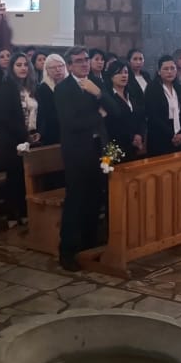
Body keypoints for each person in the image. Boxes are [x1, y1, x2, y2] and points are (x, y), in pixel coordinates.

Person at [54, 47, 106, 272]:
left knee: (94, 198)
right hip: (76, 151)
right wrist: (97, 116)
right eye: (79, 61)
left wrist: (99, 95)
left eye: (86, 60)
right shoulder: (63, 89)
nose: (84, 64)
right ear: (70, 65)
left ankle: (90, 244)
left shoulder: (95, 84)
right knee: (76, 199)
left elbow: (112, 109)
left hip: (97, 149)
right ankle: (68, 250)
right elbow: (70, 122)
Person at [0, 53, 41, 225]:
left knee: (26, 177)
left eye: (25, 65)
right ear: (12, 68)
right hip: (11, 140)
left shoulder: (32, 87)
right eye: (18, 65)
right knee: (14, 177)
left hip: (30, 137)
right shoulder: (7, 87)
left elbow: (38, 112)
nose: (23, 68)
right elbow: (5, 118)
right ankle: (12, 214)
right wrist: (24, 135)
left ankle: (25, 211)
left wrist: (37, 132)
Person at [144, 55, 181, 156]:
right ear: (159, 71)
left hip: (179, 133)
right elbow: (153, 115)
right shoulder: (152, 88)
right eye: (166, 69)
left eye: (172, 68)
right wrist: (172, 135)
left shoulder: (179, 87)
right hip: (160, 135)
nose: (169, 72)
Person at [102, 58, 145, 156]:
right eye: (119, 73)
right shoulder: (108, 98)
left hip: (135, 145)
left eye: (126, 72)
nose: (124, 75)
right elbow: (112, 124)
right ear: (111, 76)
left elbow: (141, 117)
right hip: (116, 146)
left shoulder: (132, 94)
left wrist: (139, 134)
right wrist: (131, 137)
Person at [35, 53, 65, 147]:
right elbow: (45, 114)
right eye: (53, 67)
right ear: (47, 70)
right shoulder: (43, 88)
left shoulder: (71, 85)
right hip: (52, 131)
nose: (58, 69)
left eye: (60, 66)